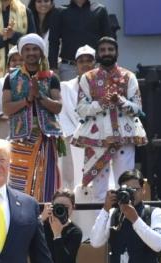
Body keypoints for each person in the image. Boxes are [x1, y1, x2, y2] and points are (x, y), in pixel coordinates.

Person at [72, 37, 146, 204]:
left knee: (126, 185)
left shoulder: (129, 77)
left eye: (110, 50)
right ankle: (102, 229)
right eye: (103, 50)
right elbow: (81, 109)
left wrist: (121, 102)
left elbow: (138, 108)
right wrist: (101, 104)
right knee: (99, 191)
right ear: (98, 54)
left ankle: (124, 225)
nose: (106, 53)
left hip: (124, 137)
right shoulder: (88, 78)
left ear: (117, 52)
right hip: (97, 138)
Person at [2, 34, 63, 202]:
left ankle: (44, 219)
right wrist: (27, 99)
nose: (31, 53)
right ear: (21, 53)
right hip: (20, 138)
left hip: (45, 138)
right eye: (27, 49)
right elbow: (6, 108)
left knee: (45, 181)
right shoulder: (11, 78)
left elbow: (58, 106)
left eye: (35, 49)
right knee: (18, 182)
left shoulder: (51, 77)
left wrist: (40, 97)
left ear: (41, 52)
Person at [58, 44, 93, 192]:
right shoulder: (65, 87)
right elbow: (63, 114)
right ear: (76, 65)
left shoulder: (104, 86)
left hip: (98, 139)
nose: (85, 64)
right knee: (71, 183)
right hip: (72, 139)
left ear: (95, 63)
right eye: (81, 61)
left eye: (89, 60)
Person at [56, 0, 111, 82]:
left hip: (95, 66)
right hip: (69, 68)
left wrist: (109, 65)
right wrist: (53, 67)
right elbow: (53, 41)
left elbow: (108, 41)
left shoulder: (100, 10)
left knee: (98, 95)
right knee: (69, 94)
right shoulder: (60, 12)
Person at [27, 0, 60, 70]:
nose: (43, 4)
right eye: (39, 1)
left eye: (46, 1)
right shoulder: (27, 20)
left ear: (51, 3)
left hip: (53, 66)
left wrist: (54, 67)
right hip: (31, 66)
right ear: (34, 3)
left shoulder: (58, 18)